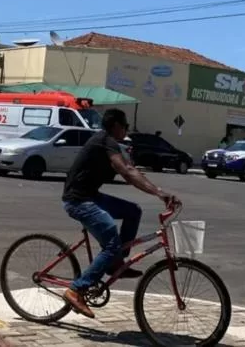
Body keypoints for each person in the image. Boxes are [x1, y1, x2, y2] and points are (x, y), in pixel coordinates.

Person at [61, 108, 179, 319]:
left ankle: (116, 263)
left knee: (133, 211)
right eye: (125, 125)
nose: (126, 129)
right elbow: (126, 172)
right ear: (115, 125)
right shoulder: (104, 141)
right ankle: (76, 289)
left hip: (91, 196)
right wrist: (160, 194)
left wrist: (159, 192)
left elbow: (132, 169)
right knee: (112, 243)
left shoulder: (113, 144)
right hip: (78, 200)